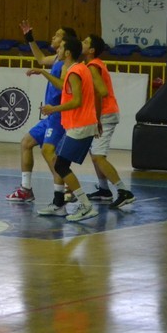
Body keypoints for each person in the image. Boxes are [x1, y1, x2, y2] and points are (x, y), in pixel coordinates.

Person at [6, 23, 77, 209]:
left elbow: (63, 86)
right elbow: (40, 58)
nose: (53, 37)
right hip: (51, 116)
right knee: (26, 143)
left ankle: (66, 189)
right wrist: (30, 39)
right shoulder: (58, 58)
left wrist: (44, 73)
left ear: (66, 42)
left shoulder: (67, 65)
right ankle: (26, 189)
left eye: (58, 35)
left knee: (49, 153)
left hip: (59, 115)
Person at [35, 36, 100, 222]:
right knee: (58, 161)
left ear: (68, 52)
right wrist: (43, 72)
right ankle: (59, 203)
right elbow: (66, 88)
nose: (58, 50)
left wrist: (53, 109)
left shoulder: (74, 72)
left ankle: (85, 205)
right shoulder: (79, 69)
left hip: (80, 125)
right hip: (79, 124)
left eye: (61, 47)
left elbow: (77, 101)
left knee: (60, 165)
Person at [82, 34, 136, 209]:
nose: (82, 43)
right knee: (94, 154)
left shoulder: (93, 66)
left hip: (104, 115)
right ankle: (104, 190)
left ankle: (123, 191)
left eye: (85, 42)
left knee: (99, 156)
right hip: (102, 114)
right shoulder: (93, 64)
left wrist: (96, 118)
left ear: (91, 50)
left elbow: (101, 92)